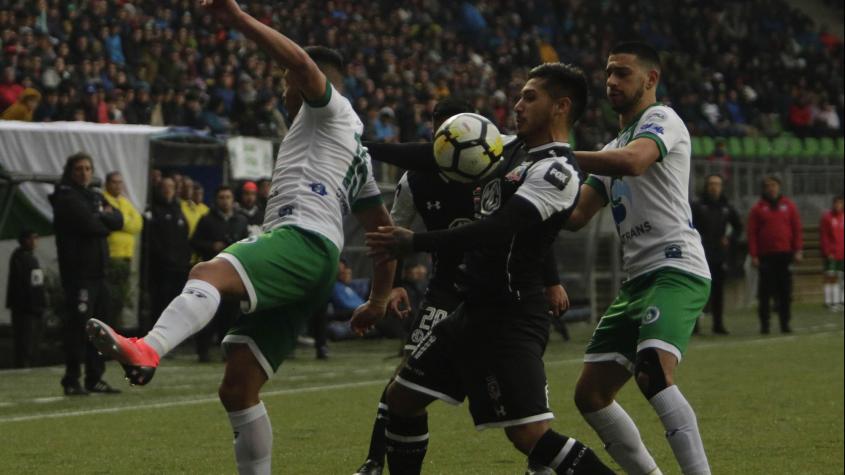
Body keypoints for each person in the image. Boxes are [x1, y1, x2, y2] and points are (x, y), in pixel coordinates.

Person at [86, 2, 395, 474]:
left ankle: (148, 348)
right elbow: (382, 230)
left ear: (304, 83)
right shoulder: (356, 150)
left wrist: (236, 18)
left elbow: (302, 64)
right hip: (316, 260)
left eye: (285, 82)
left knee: (207, 272)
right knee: (238, 388)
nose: (282, 90)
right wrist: (377, 299)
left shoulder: (332, 109)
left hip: (301, 239)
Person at [366, 63, 613, 475]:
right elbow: (433, 154)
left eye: (530, 97)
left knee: (529, 437)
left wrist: (415, 242)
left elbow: (496, 229)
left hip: (512, 315)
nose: (517, 104)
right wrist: (364, 146)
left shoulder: (556, 171)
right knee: (402, 399)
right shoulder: (510, 148)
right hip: (471, 310)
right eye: (519, 96)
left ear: (561, 106)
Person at [564, 42, 712, 475]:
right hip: (636, 283)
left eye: (622, 73)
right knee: (590, 395)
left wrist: (559, 155)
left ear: (651, 79)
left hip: (675, 268)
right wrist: (525, 194)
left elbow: (634, 162)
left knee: (652, 371)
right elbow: (575, 216)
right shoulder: (611, 146)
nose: (611, 81)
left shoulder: (662, 119)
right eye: (608, 72)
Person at [50, 152, 124, 395]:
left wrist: (100, 216)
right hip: (79, 275)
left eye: (88, 168)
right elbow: (91, 226)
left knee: (101, 329)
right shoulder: (66, 197)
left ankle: (95, 377)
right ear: (71, 171)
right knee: (78, 327)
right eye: (79, 168)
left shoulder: (93, 195)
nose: (84, 173)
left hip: (98, 273)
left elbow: (119, 220)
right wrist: (102, 219)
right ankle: (71, 379)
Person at [190, 185, 248, 362]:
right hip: (212, 272)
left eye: (228, 197)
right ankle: (203, 351)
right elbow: (194, 242)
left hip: (233, 272)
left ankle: (227, 350)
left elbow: (249, 243)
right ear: (216, 200)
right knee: (208, 312)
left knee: (230, 315)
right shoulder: (207, 220)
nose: (225, 200)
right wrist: (211, 246)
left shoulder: (240, 220)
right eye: (221, 197)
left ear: (233, 199)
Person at [747, 175, 803, 334]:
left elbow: (796, 229)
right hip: (766, 256)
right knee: (765, 293)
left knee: (785, 292)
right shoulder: (758, 208)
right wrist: (754, 255)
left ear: (779, 187)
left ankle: (785, 323)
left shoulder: (789, 206)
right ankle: (765, 325)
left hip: (785, 254)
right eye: (769, 185)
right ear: (764, 188)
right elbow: (752, 233)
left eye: (774, 185)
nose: (772, 188)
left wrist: (798, 249)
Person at [691, 174, 742, 334]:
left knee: (718, 290)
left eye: (717, 184)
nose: (714, 187)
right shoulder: (698, 206)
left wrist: (729, 238)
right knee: (697, 291)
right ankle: (695, 325)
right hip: (700, 254)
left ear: (721, 187)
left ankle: (718, 324)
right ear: (707, 186)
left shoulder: (727, 207)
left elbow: (738, 227)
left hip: (719, 255)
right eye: (711, 183)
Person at [146, 177, 192, 327]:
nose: (168, 190)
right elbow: (152, 239)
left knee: (176, 301)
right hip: (161, 267)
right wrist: (164, 257)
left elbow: (184, 237)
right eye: (165, 187)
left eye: (171, 187)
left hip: (179, 267)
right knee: (160, 301)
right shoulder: (154, 210)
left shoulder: (178, 209)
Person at [103, 171, 144, 328]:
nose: (118, 185)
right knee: (110, 297)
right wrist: (125, 222)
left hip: (126, 256)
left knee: (121, 296)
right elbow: (109, 222)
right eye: (114, 182)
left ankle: (117, 329)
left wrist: (120, 221)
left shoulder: (125, 202)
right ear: (107, 184)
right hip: (111, 255)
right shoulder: (103, 200)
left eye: (120, 182)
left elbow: (138, 224)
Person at [5, 229, 46, 368]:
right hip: (25, 310)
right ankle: (23, 367)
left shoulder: (25, 257)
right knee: (25, 342)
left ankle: (28, 366)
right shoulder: (22, 258)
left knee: (31, 342)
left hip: (30, 309)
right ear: (25, 240)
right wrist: (34, 306)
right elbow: (26, 286)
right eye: (32, 238)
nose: (35, 242)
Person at [820, 195, 844, 311]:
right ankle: (830, 302)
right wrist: (827, 251)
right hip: (832, 253)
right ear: (833, 204)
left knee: (841, 277)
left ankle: (841, 301)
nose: (838, 205)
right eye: (836, 203)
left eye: (840, 203)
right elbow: (824, 236)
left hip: (842, 252)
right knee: (831, 276)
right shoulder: (827, 217)